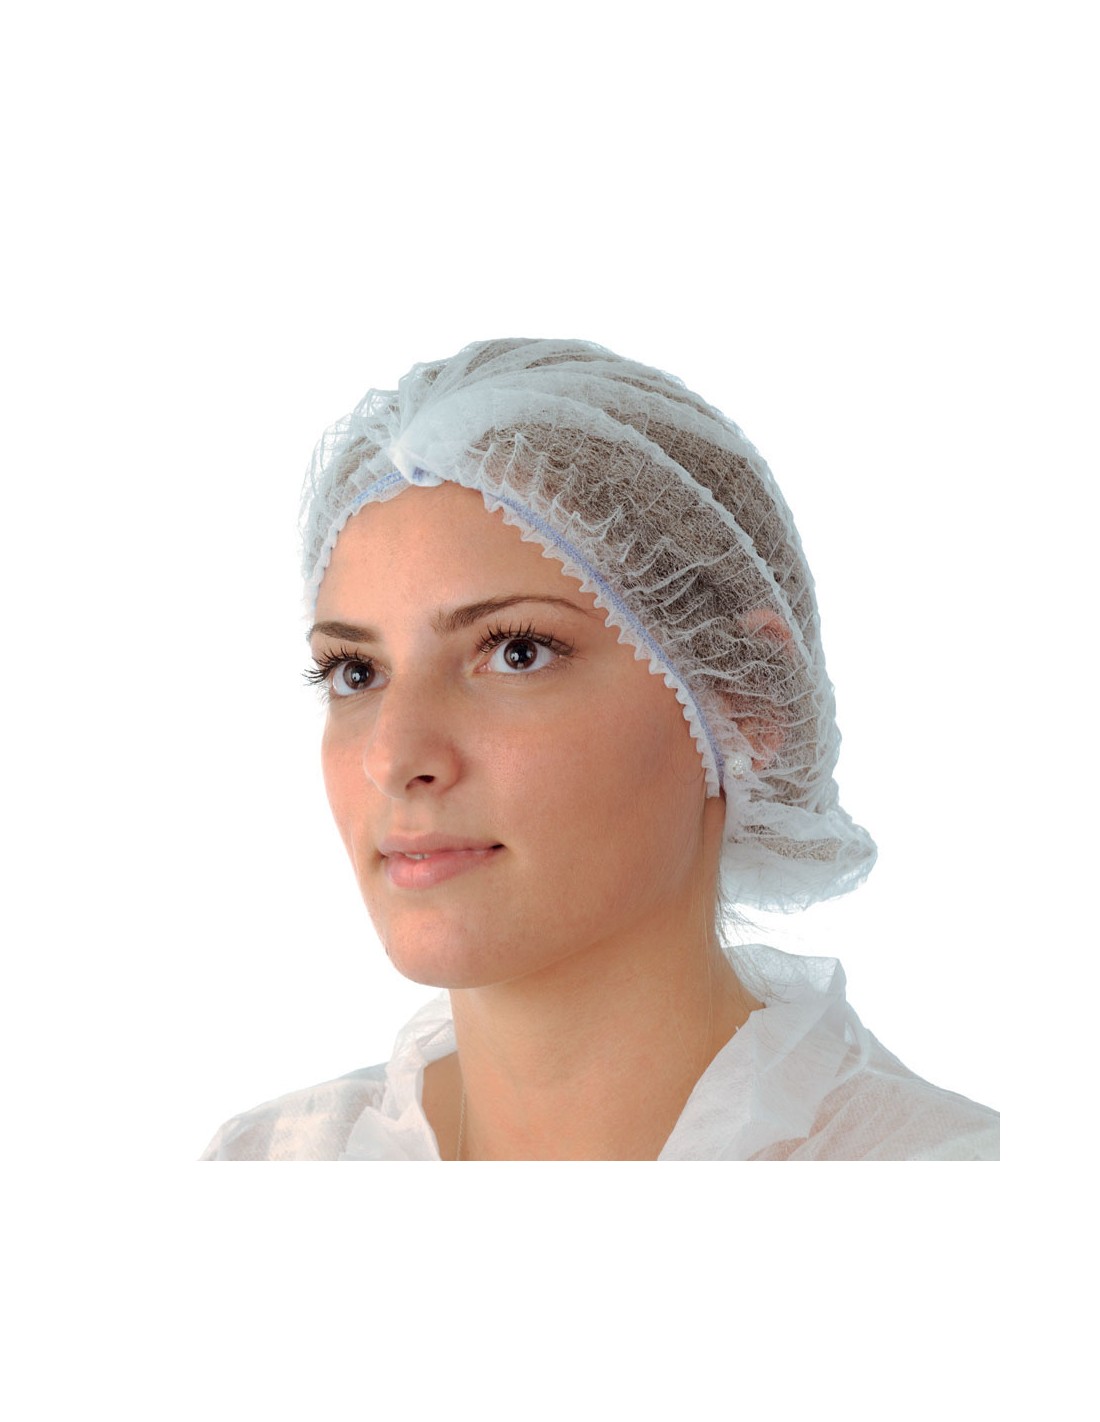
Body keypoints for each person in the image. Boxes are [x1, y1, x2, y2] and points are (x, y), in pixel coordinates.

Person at [201, 337, 999, 1161]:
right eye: (355, 671)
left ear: (746, 702)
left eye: (517, 652)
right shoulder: (266, 1163)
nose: (393, 759)